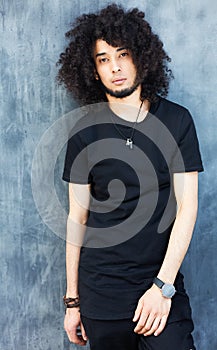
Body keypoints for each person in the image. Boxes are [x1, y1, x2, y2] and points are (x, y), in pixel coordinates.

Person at [57, 4, 203, 350]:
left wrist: (162, 287)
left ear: (141, 57)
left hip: (159, 287)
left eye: (122, 54)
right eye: (103, 59)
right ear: (92, 70)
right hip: (101, 294)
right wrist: (72, 302)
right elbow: (77, 218)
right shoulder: (84, 132)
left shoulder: (177, 121)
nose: (116, 67)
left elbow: (187, 210)